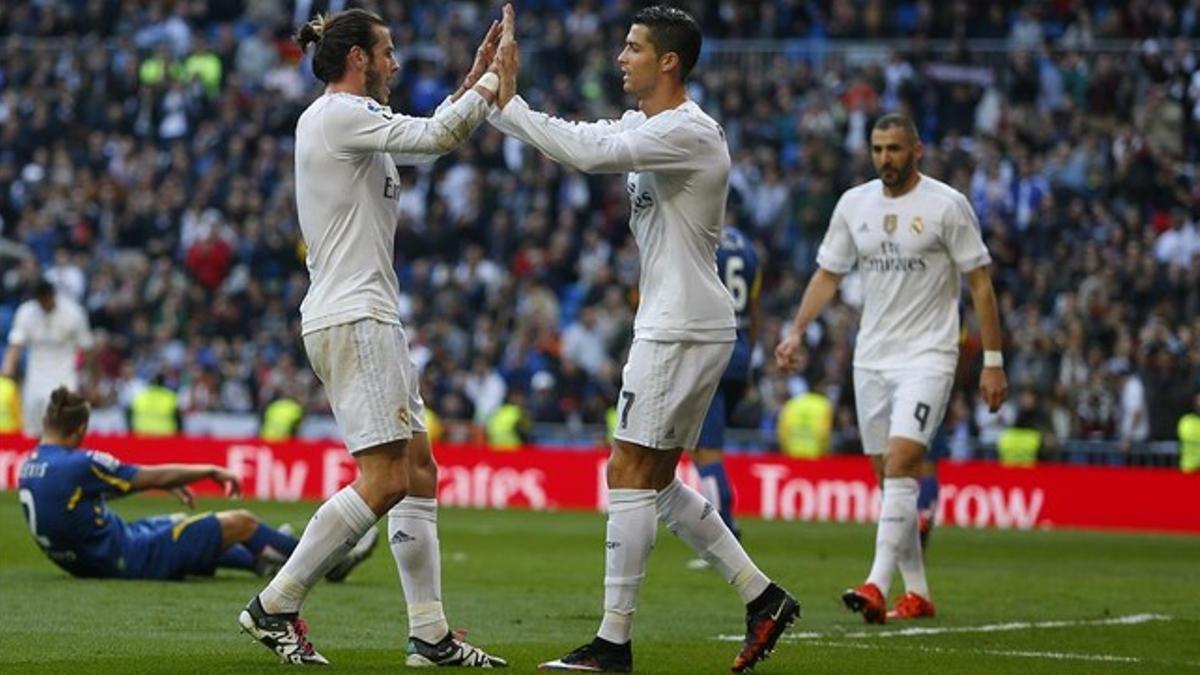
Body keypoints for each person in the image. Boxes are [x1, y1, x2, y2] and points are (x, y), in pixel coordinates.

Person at [487, 7, 797, 672]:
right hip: (681, 321)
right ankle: (762, 595)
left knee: (626, 470)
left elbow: (587, 152)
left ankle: (612, 643)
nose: (620, 57)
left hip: (679, 325)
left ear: (669, 63)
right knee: (652, 482)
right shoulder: (650, 125)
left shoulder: (688, 131)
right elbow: (589, 136)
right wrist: (496, 102)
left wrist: (509, 103)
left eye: (633, 48)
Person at [237, 6, 515, 667]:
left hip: (364, 313)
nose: (395, 63)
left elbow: (423, 132)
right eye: (387, 52)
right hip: (356, 315)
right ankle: (276, 601)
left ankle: (429, 633)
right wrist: (491, 84)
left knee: (418, 469)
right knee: (387, 478)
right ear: (358, 58)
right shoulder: (340, 115)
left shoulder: (349, 122)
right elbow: (438, 138)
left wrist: (470, 81)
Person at [776, 113, 1008, 624]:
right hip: (872, 357)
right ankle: (918, 592)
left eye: (895, 149)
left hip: (929, 354)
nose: (885, 158)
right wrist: (795, 331)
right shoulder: (853, 204)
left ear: (917, 151)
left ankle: (876, 584)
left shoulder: (947, 205)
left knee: (903, 462)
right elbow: (828, 274)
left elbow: (980, 285)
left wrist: (992, 360)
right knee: (887, 478)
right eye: (878, 149)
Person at [17, 387, 305, 581]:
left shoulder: (28, 465)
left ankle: (260, 560)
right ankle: (322, 558)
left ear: (46, 422)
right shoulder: (80, 463)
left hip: (86, 559)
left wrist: (158, 483)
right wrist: (209, 470)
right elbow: (148, 476)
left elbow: (76, 499)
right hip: (127, 557)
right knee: (242, 522)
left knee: (181, 522)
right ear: (81, 429)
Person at [690, 224, 761, 549]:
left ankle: (723, 535)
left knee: (707, 452)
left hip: (710, 349)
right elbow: (755, 311)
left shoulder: (700, 237)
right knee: (707, 448)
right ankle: (724, 527)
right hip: (740, 351)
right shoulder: (747, 246)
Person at [2, 279, 93, 438]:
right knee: (33, 430)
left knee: (64, 430)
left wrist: (92, 380)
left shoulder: (74, 313)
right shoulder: (26, 313)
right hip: (35, 379)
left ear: (53, 295)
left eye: (47, 299)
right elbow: (15, 346)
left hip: (65, 379)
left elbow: (87, 347)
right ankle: (37, 461)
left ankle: (63, 462)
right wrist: (7, 370)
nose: (44, 304)